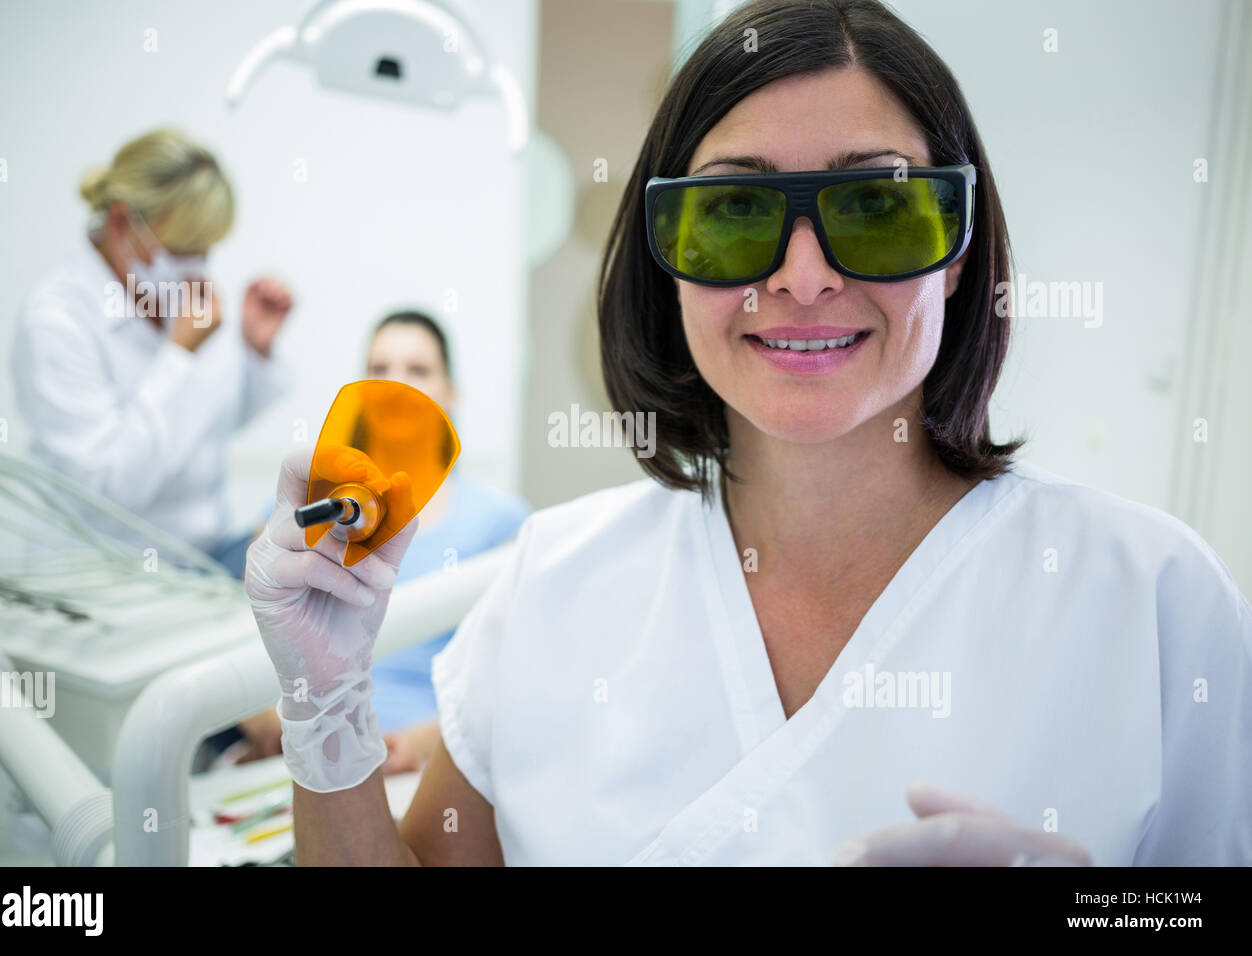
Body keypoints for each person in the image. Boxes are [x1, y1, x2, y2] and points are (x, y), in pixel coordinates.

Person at [243, 0, 1252, 865]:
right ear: (667, 257)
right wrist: (327, 711)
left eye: (877, 206)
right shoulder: (551, 577)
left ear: (956, 250)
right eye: (732, 211)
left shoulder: (1152, 599)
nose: (803, 277)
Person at [232, 312, 529, 772]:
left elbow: (515, 681)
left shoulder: (500, 524)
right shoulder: (306, 508)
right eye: (380, 369)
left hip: (428, 767)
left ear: (451, 393)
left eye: (418, 370)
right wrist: (275, 724)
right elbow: (234, 642)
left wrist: (424, 744)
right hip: (301, 753)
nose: (396, 385)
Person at [10, 127, 294, 580]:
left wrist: (253, 350)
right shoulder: (57, 319)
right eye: (184, 248)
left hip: (202, 557)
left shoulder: (183, 295)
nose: (197, 265)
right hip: (101, 576)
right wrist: (179, 357)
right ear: (122, 222)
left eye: (207, 249)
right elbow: (109, 486)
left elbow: (208, 427)